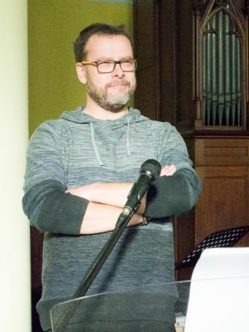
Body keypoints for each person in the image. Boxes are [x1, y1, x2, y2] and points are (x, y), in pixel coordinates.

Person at [22, 23, 201, 330]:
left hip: (150, 308)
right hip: (71, 309)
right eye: (104, 63)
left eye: (126, 62)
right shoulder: (52, 135)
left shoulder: (162, 135)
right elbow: (46, 207)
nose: (118, 71)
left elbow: (182, 192)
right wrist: (141, 214)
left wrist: (89, 191)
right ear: (82, 71)